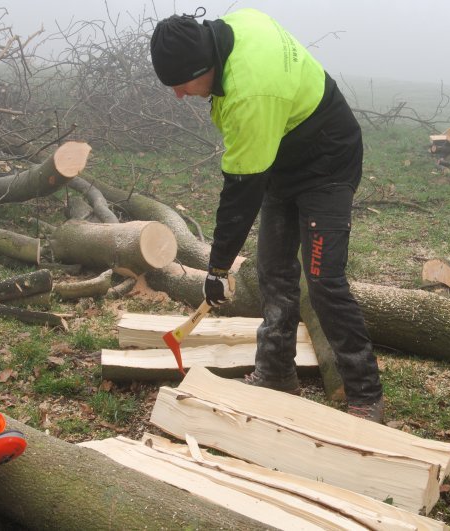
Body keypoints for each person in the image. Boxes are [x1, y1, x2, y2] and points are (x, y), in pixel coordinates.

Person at [150, 8, 384, 422]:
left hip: (327, 160)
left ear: (204, 66)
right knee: (273, 268)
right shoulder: (235, 26)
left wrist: (218, 269)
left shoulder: (250, 95)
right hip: (282, 153)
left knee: (324, 279)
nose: (179, 95)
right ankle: (276, 372)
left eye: (181, 84)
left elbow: (240, 196)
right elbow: (250, 177)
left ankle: (365, 394)